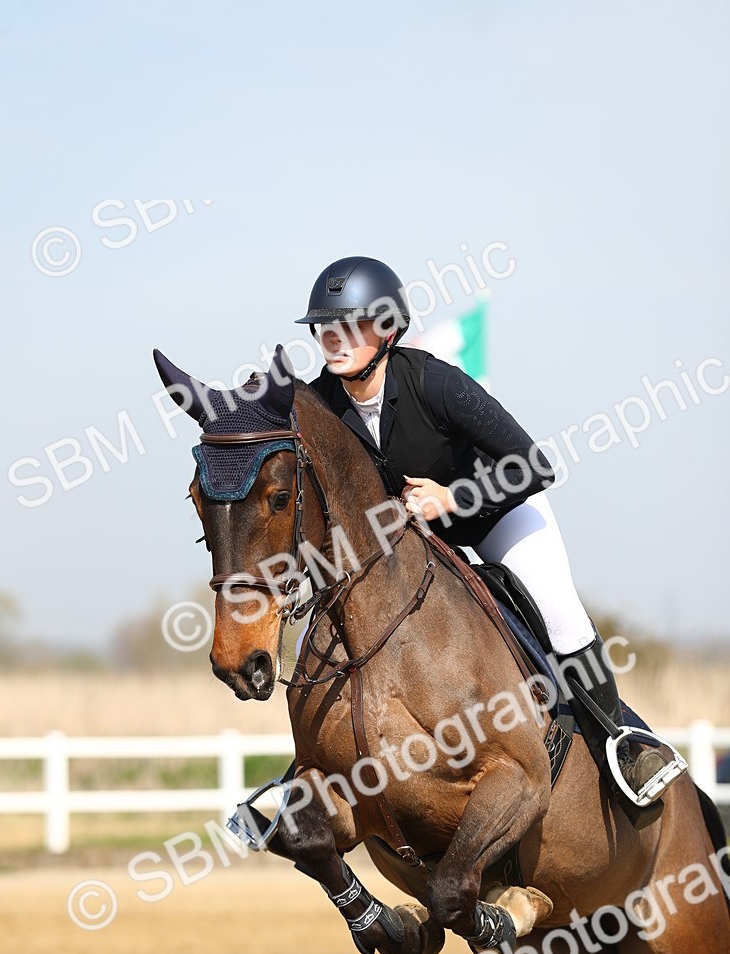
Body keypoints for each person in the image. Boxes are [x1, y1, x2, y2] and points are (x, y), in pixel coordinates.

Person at [293, 255, 685, 807]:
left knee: (561, 614)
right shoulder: (321, 404)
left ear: (386, 330)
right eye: (324, 328)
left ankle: (620, 741)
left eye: (349, 326)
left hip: (498, 514)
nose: (333, 339)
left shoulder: (435, 382)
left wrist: (454, 497)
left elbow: (533, 464)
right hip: (419, 539)